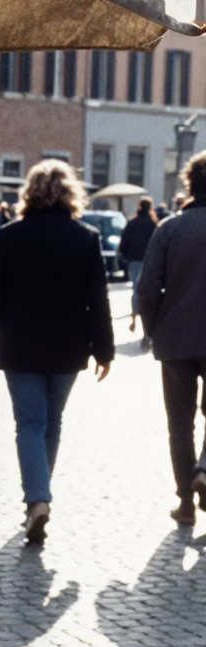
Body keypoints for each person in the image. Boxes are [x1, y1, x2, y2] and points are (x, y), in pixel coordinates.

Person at [0, 159, 113, 544]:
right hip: (69, 346)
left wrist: (1, 323)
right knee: (52, 423)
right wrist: (104, 350)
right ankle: (39, 497)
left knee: (30, 425)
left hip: (19, 344)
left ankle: (37, 499)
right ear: (70, 192)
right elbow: (97, 299)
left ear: (29, 192)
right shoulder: (85, 237)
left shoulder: (9, 234)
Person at [138, 150, 206, 526]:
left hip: (175, 339)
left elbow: (147, 289)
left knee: (180, 423)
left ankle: (185, 501)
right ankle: (205, 471)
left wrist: (153, 330)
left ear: (189, 185)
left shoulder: (170, 228)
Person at [118, 196, 157, 348]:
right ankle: (146, 330)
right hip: (149, 261)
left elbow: (124, 241)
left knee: (136, 290)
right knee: (148, 292)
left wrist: (124, 257)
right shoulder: (153, 225)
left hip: (134, 260)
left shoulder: (132, 223)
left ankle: (134, 318)